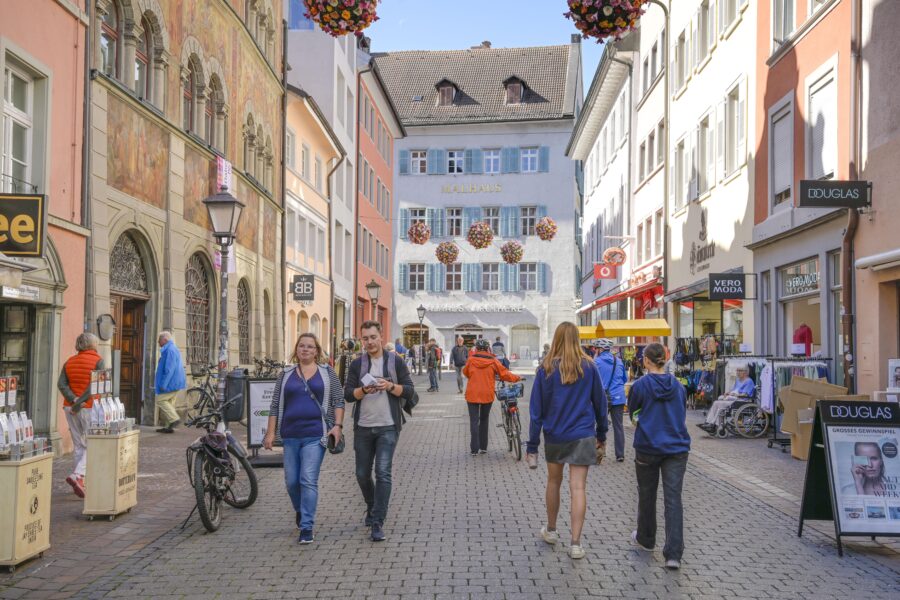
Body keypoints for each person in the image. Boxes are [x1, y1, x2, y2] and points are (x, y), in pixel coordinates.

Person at [526, 322, 608, 560]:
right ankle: (575, 543)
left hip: (555, 434)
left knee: (553, 482)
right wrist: (602, 435)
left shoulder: (546, 369)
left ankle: (551, 530)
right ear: (577, 340)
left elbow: (536, 412)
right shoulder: (589, 367)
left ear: (557, 339)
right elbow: (600, 404)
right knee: (578, 487)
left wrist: (532, 446)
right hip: (583, 434)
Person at [263, 333, 344, 544]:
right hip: (290, 435)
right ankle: (300, 509)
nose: (305, 349)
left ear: (316, 351)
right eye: (301, 346)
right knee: (291, 482)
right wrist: (270, 433)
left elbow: (338, 400)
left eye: (310, 346)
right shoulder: (286, 374)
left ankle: (307, 526)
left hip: (316, 434)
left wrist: (337, 426)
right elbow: (274, 405)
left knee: (307, 479)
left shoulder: (327, 373)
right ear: (296, 349)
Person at [343, 320, 415, 542]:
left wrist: (390, 386)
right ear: (361, 341)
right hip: (363, 427)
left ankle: (377, 521)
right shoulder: (357, 364)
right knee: (362, 474)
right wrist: (363, 390)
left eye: (373, 337)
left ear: (381, 337)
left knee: (383, 472)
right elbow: (347, 394)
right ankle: (371, 506)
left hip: (388, 426)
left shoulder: (395, 362)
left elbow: (410, 391)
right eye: (365, 338)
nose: (370, 342)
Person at [628, 342, 691, 570]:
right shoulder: (678, 386)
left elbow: (633, 413)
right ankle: (673, 554)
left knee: (647, 494)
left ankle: (646, 539)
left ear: (646, 360)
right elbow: (681, 413)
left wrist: (640, 421)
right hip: (677, 448)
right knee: (674, 500)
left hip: (648, 446)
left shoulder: (640, 386)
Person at [57, 333, 105, 498]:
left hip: (69, 408)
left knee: (78, 445)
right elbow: (96, 386)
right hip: (89, 406)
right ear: (94, 344)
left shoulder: (69, 361)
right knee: (94, 443)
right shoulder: (99, 361)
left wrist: (73, 400)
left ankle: (80, 481)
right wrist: (80, 402)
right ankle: (77, 475)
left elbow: (61, 384)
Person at [462, 339, 520, 455]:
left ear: (477, 349)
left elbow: (466, 372)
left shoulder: (471, 360)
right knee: (484, 419)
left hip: (472, 393)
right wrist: (517, 378)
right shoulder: (493, 361)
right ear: (488, 349)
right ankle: (483, 447)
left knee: (474, 421)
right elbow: (504, 373)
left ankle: (474, 449)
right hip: (486, 394)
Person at [593, 339, 628, 462]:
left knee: (600, 425)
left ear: (600, 349)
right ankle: (620, 455)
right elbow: (624, 379)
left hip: (602, 398)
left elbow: (592, 381)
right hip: (618, 398)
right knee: (618, 426)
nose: (595, 351)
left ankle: (599, 452)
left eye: (595, 349)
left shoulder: (596, 362)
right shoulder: (618, 361)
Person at [699, 366, 755, 434]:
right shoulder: (738, 380)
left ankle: (714, 425)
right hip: (734, 399)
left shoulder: (749, 381)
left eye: (740, 371)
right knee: (716, 402)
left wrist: (734, 395)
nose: (738, 372)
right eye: (737, 370)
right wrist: (728, 393)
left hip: (742, 400)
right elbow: (734, 390)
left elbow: (746, 394)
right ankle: (709, 422)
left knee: (720, 404)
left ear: (746, 372)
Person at [154, 331, 186, 433]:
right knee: (170, 403)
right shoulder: (170, 349)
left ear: (165, 340)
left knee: (160, 400)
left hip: (171, 382)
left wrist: (163, 384)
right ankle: (169, 427)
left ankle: (174, 419)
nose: (158, 343)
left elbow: (169, 370)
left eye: (159, 340)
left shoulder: (170, 350)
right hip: (175, 382)